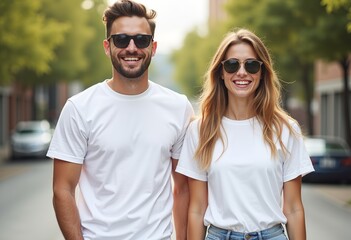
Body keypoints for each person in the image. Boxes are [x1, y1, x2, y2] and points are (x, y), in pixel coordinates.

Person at [47, 1, 193, 239]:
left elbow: (183, 188)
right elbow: (62, 190)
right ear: (107, 46)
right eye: (122, 40)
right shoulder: (79, 108)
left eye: (142, 40)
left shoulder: (178, 108)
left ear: (153, 47)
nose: (132, 48)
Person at [176, 28, 314, 240]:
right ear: (221, 73)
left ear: (262, 72)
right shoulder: (200, 131)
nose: (241, 72)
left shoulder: (286, 129)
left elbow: (294, 208)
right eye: (232, 65)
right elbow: (197, 208)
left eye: (251, 65)